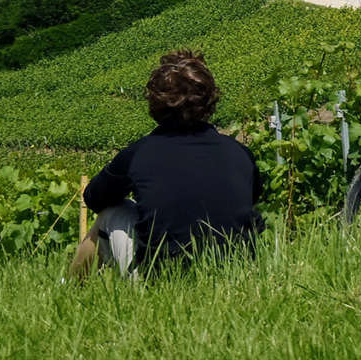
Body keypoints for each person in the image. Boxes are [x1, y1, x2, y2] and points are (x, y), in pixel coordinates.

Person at [69, 49, 263, 279]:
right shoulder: (239, 152)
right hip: (236, 278)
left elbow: (94, 198)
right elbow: (252, 198)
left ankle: (68, 291)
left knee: (111, 214)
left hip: (164, 278)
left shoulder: (139, 153)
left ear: (155, 102)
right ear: (210, 100)